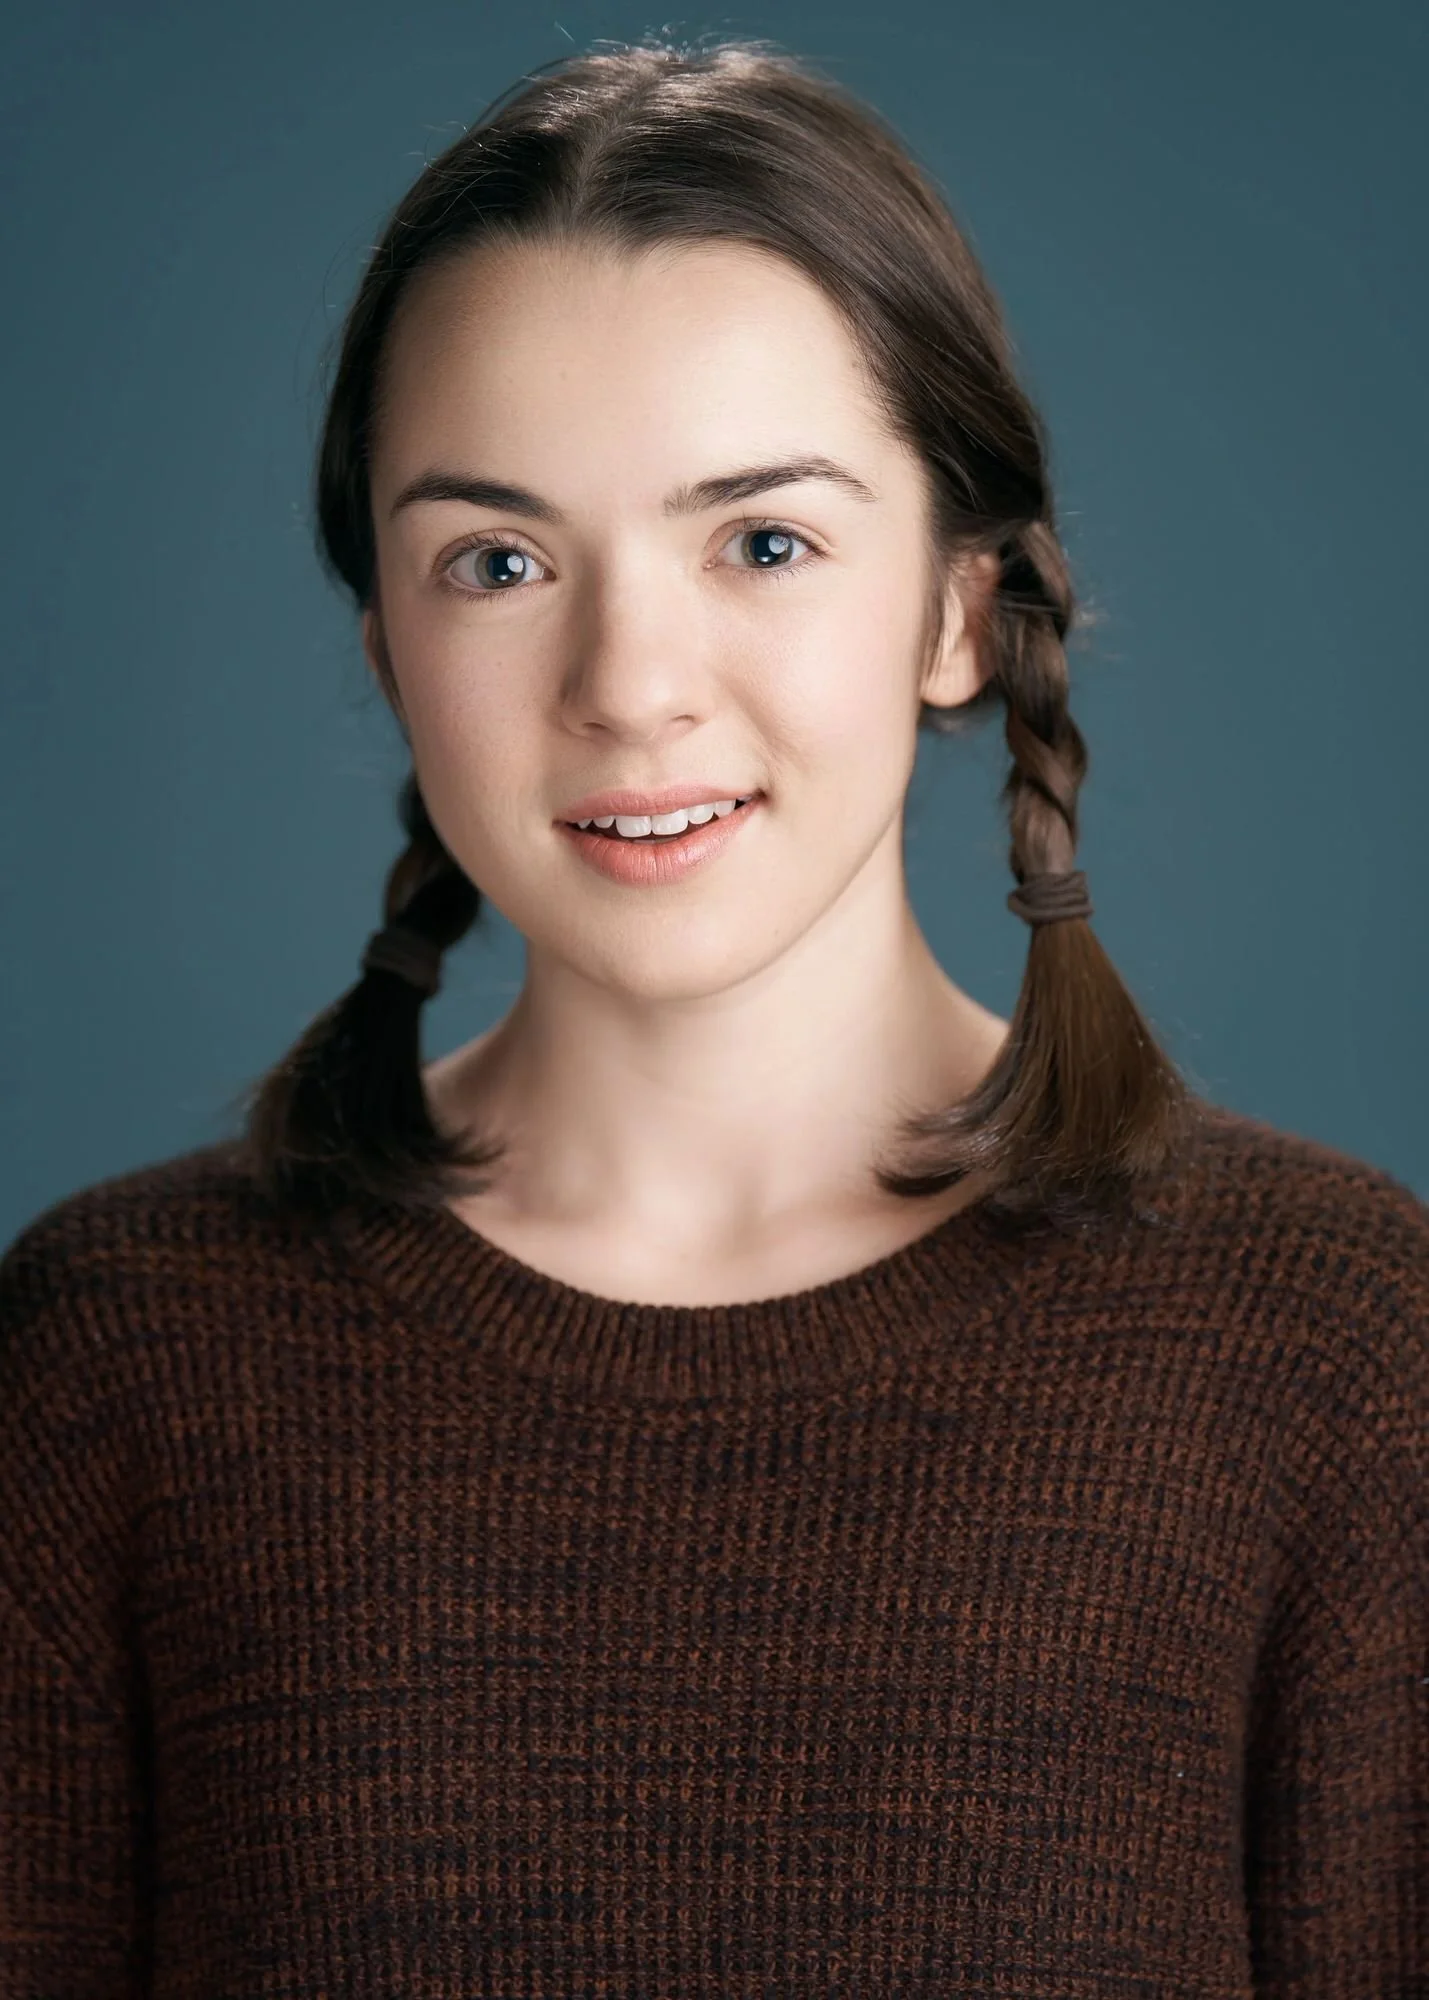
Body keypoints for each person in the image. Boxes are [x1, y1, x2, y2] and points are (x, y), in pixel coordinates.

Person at [1, 37, 1424, 1997]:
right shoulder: (109, 1358)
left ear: (954, 609)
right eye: (497, 562)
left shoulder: (1334, 1341)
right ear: (390, 650)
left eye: (763, 541)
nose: (629, 681)